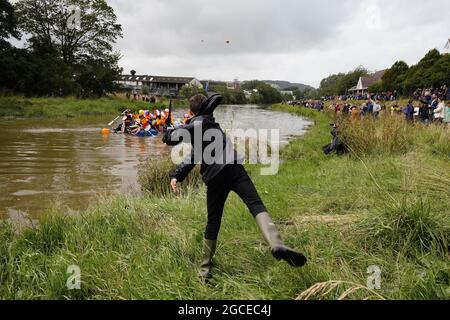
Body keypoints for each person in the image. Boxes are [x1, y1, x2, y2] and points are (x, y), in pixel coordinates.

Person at [163, 94, 307, 281]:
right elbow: (194, 155)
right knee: (256, 205)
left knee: (213, 221)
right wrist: (177, 175)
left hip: (215, 178)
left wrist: (167, 130)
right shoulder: (209, 123)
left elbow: (171, 138)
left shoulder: (198, 124)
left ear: (191, 111)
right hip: (235, 170)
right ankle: (276, 243)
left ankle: (204, 270)